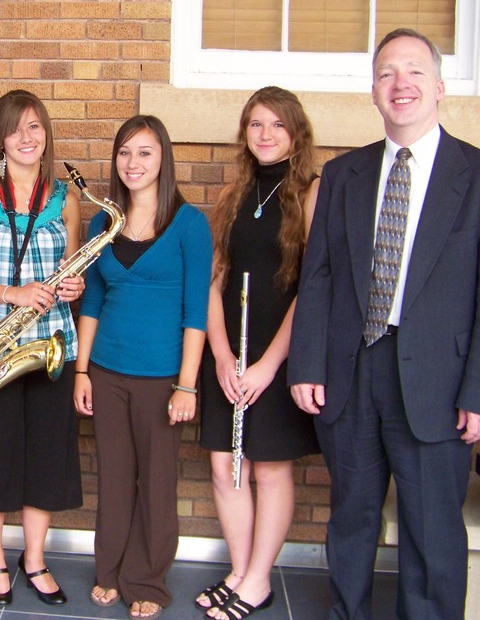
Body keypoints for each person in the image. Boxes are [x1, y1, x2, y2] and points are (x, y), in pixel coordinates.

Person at [289, 28, 480, 620]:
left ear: (440, 86)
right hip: (351, 373)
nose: (402, 84)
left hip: (441, 384)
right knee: (352, 520)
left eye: (415, 71)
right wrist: (308, 363)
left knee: (432, 532)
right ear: (373, 91)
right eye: (388, 72)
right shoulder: (343, 177)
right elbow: (318, 279)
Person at [0, 89, 84, 607]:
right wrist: (12, 294)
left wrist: (72, 288)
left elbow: (73, 272)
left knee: (47, 456)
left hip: (52, 345)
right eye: (15, 129)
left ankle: (34, 558)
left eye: (35, 127)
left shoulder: (66, 198)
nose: (27, 137)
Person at [74, 114, 212, 620]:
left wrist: (187, 386)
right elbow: (91, 301)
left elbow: (195, 313)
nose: (133, 163)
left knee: (156, 483)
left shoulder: (190, 224)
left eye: (145, 152)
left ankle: (147, 579)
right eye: (125, 152)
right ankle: (108, 570)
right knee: (113, 476)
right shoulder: (101, 222)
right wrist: (82, 372)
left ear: (163, 159)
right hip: (107, 372)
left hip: (163, 380)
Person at [196, 87, 321, 620]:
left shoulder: (313, 194)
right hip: (231, 347)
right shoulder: (233, 194)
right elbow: (214, 280)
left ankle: (260, 579)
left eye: (277, 125)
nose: (266, 135)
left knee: (269, 468)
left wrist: (268, 366)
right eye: (255, 124)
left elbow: (313, 287)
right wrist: (222, 356)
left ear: (296, 133)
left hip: (279, 351)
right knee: (226, 465)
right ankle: (240, 569)